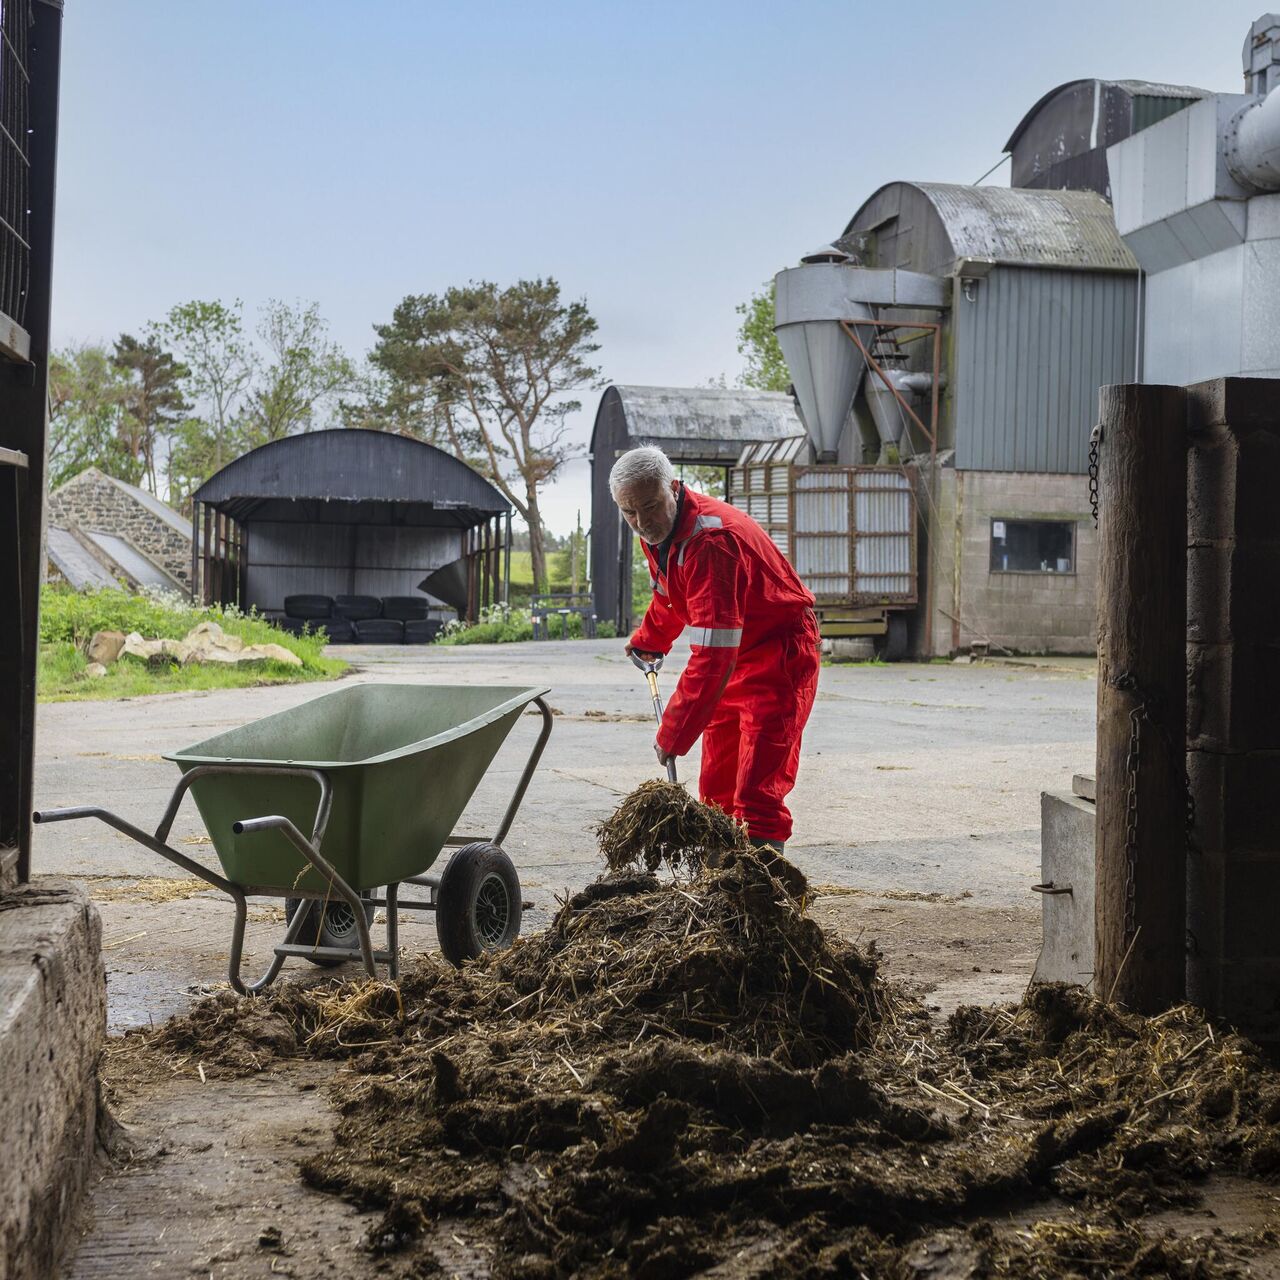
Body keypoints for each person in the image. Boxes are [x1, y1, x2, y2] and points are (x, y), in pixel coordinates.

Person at [610, 445, 820, 854]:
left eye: (650, 507)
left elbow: (713, 655)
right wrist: (650, 640)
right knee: (717, 791)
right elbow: (673, 593)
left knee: (757, 789)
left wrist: (673, 731)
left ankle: (763, 896)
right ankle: (717, 891)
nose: (641, 522)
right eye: (628, 513)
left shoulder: (711, 541)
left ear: (673, 487)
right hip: (736, 659)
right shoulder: (659, 532)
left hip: (778, 653)